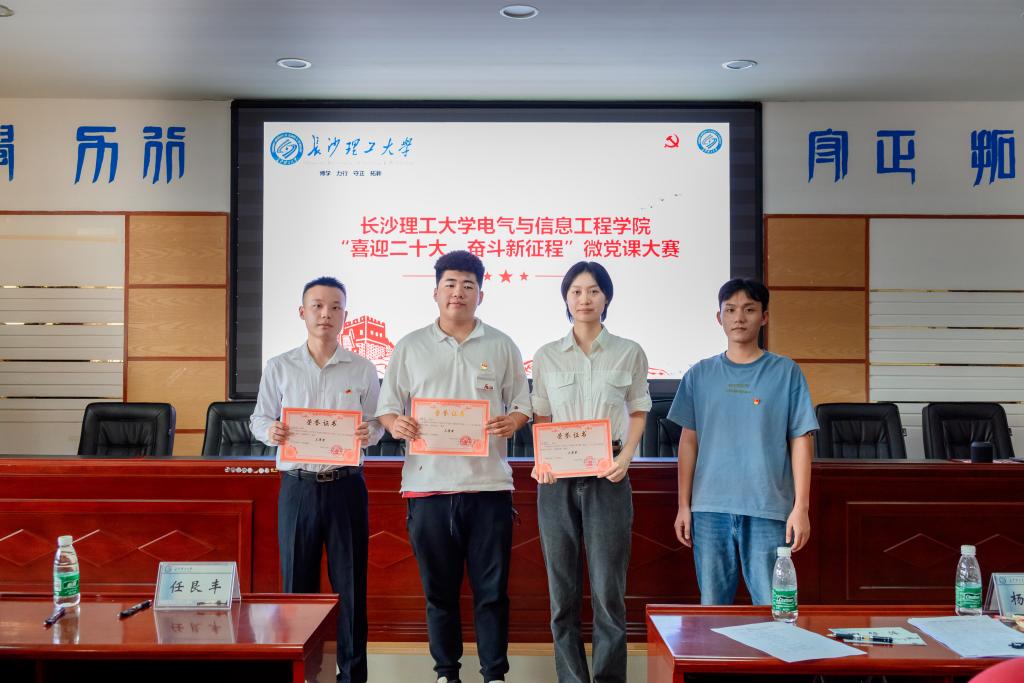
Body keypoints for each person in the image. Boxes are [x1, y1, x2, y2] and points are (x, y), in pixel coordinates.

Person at [376, 250, 531, 683]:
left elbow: (523, 404)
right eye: (450, 284)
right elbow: (387, 408)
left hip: (488, 488)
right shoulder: (410, 346)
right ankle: (446, 673)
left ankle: (494, 675)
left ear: (481, 294)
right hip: (428, 488)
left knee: (492, 593)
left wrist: (513, 420)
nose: (458, 292)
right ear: (435, 292)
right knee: (438, 594)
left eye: (467, 285)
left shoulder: (501, 344)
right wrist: (396, 423)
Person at [251, 276, 383, 683]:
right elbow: (258, 419)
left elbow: (378, 424)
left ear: (345, 315)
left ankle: (352, 676)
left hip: (346, 486)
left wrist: (370, 432)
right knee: (297, 588)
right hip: (299, 487)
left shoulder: (363, 368)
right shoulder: (280, 366)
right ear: (302, 312)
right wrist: (270, 431)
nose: (326, 314)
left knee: (351, 588)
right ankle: (303, 675)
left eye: (335, 307)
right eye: (318, 306)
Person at [530, 261, 651, 683]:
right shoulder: (546, 355)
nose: (585, 299)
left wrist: (627, 457)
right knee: (561, 595)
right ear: (566, 298)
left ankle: (607, 679)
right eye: (577, 291)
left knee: (608, 594)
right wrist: (541, 460)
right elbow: (542, 416)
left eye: (594, 290)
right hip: (556, 481)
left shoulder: (629, 351)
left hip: (609, 475)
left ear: (606, 297)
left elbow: (639, 411)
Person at [667, 278, 817, 605]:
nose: (739, 318)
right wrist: (683, 505)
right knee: (712, 608)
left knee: (773, 607)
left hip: (768, 508)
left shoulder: (786, 372)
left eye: (749, 309)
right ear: (718, 317)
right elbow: (688, 442)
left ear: (764, 317)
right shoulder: (699, 375)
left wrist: (801, 507)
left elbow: (801, 440)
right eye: (731, 310)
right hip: (709, 509)